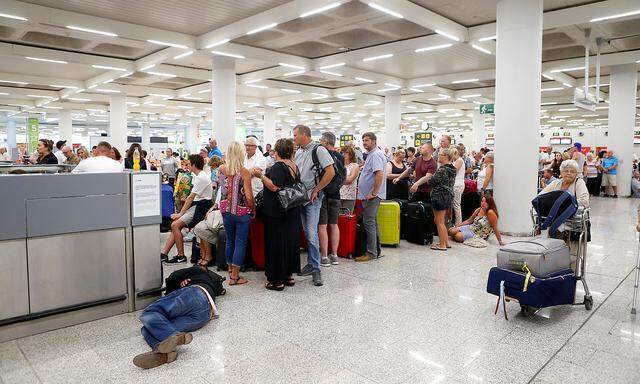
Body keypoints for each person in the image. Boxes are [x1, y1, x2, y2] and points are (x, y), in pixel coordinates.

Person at [133, 266, 221, 369]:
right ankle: (165, 354)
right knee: (147, 328)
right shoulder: (210, 282)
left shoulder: (198, 270)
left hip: (195, 295)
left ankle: (172, 335)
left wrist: (173, 290)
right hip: (205, 315)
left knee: (148, 313)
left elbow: (174, 276)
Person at [257, 138, 302, 291]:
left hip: (278, 211)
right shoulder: (294, 166)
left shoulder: (278, 167)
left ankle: (277, 281)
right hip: (292, 210)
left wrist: (260, 176)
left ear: (278, 151)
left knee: (276, 244)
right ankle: (288, 275)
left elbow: (274, 186)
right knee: (289, 243)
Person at [293, 125, 334, 286]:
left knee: (311, 233)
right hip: (301, 197)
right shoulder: (299, 151)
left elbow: (330, 171)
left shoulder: (319, 150)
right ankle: (311, 263)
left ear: (304, 135)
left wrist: (317, 189)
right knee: (307, 232)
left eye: (295, 135)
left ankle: (316, 268)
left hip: (313, 198)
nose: (294, 138)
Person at [162, 154, 213, 264]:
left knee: (175, 225)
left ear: (194, 165)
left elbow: (191, 197)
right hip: (198, 205)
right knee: (175, 225)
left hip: (201, 207)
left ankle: (181, 256)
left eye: (189, 164)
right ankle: (164, 254)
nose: (187, 166)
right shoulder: (198, 176)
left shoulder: (201, 177)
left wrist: (180, 213)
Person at [218, 141, 254, 286]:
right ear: (240, 153)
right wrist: (253, 209)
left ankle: (230, 269)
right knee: (240, 242)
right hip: (241, 211)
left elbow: (219, 188)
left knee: (230, 240)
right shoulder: (244, 171)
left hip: (225, 209)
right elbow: (249, 196)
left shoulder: (221, 169)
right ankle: (234, 277)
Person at [355, 132, 386, 262]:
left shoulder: (375, 155)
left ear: (374, 141)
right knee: (372, 222)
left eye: (367, 140)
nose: (364, 142)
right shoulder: (372, 155)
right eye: (363, 140)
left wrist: (374, 192)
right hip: (369, 195)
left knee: (369, 222)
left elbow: (379, 174)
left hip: (372, 196)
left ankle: (371, 252)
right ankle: (377, 250)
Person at [317, 132, 344, 267]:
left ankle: (324, 256)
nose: (319, 142)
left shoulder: (322, 155)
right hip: (336, 195)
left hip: (323, 194)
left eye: (321, 140)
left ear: (326, 143)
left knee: (322, 225)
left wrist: (317, 188)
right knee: (334, 224)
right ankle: (335, 255)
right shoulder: (340, 157)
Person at [426, 148, 457, 251]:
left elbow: (431, 182)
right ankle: (446, 242)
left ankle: (442, 245)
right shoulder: (452, 169)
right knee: (440, 220)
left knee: (439, 222)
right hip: (447, 196)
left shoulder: (442, 169)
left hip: (439, 196)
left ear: (445, 156)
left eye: (439, 155)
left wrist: (430, 180)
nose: (438, 156)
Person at [340, 146, 360, 213]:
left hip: (349, 196)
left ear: (351, 154)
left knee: (346, 217)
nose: (343, 154)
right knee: (336, 219)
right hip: (338, 195)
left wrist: (337, 181)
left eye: (346, 152)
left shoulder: (355, 165)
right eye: (342, 152)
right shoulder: (339, 165)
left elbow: (350, 180)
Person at [451, 146, 466, 226]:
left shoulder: (459, 160)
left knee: (456, 205)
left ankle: (458, 225)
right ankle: (456, 224)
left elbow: (453, 172)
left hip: (457, 185)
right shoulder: (456, 160)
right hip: (456, 184)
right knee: (455, 205)